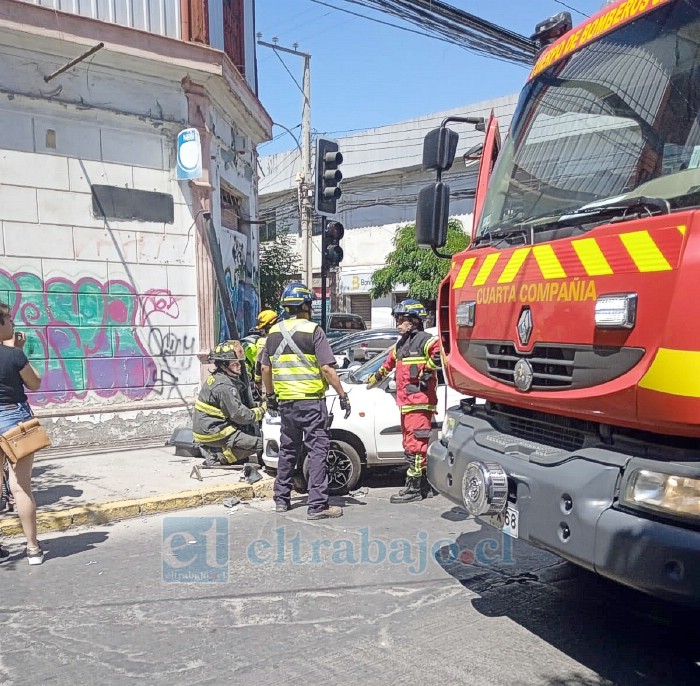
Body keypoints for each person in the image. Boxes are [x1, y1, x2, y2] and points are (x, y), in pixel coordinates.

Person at [261, 282, 351, 520]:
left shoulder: (273, 333)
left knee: (288, 450)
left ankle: (281, 499)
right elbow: (328, 369)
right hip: (311, 403)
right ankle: (317, 505)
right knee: (317, 451)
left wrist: (270, 396)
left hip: (287, 404)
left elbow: (265, 369)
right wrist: (342, 394)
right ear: (304, 305)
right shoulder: (313, 331)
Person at [367, 299, 441, 504]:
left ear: (415, 321)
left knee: (416, 445)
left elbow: (440, 353)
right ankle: (424, 484)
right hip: (406, 403)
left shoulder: (426, 340)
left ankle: (414, 488)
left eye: (401, 320)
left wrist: (427, 370)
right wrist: (374, 378)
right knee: (409, 444)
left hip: (419, 402)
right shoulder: (402, 344)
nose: (398, 324)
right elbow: (388, 363)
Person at [0, 301, 44, 564]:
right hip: (14, 419)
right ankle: (32, 548)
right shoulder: (14, 356)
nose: (13, 324)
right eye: (8, 319)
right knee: (21, 487)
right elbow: (35, 383)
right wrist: (17, 351)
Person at [192, 340, 265, 467]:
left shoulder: (222, 377)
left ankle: (225, 453)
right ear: (223, 365)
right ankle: (216, 456)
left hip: (213, 427)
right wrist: (262, 410)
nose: (239, 367)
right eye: (234, 364)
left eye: (239, 363)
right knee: (261, 444)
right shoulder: (224, 386)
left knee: (251, 441)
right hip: (215, 432)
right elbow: (240, 415)